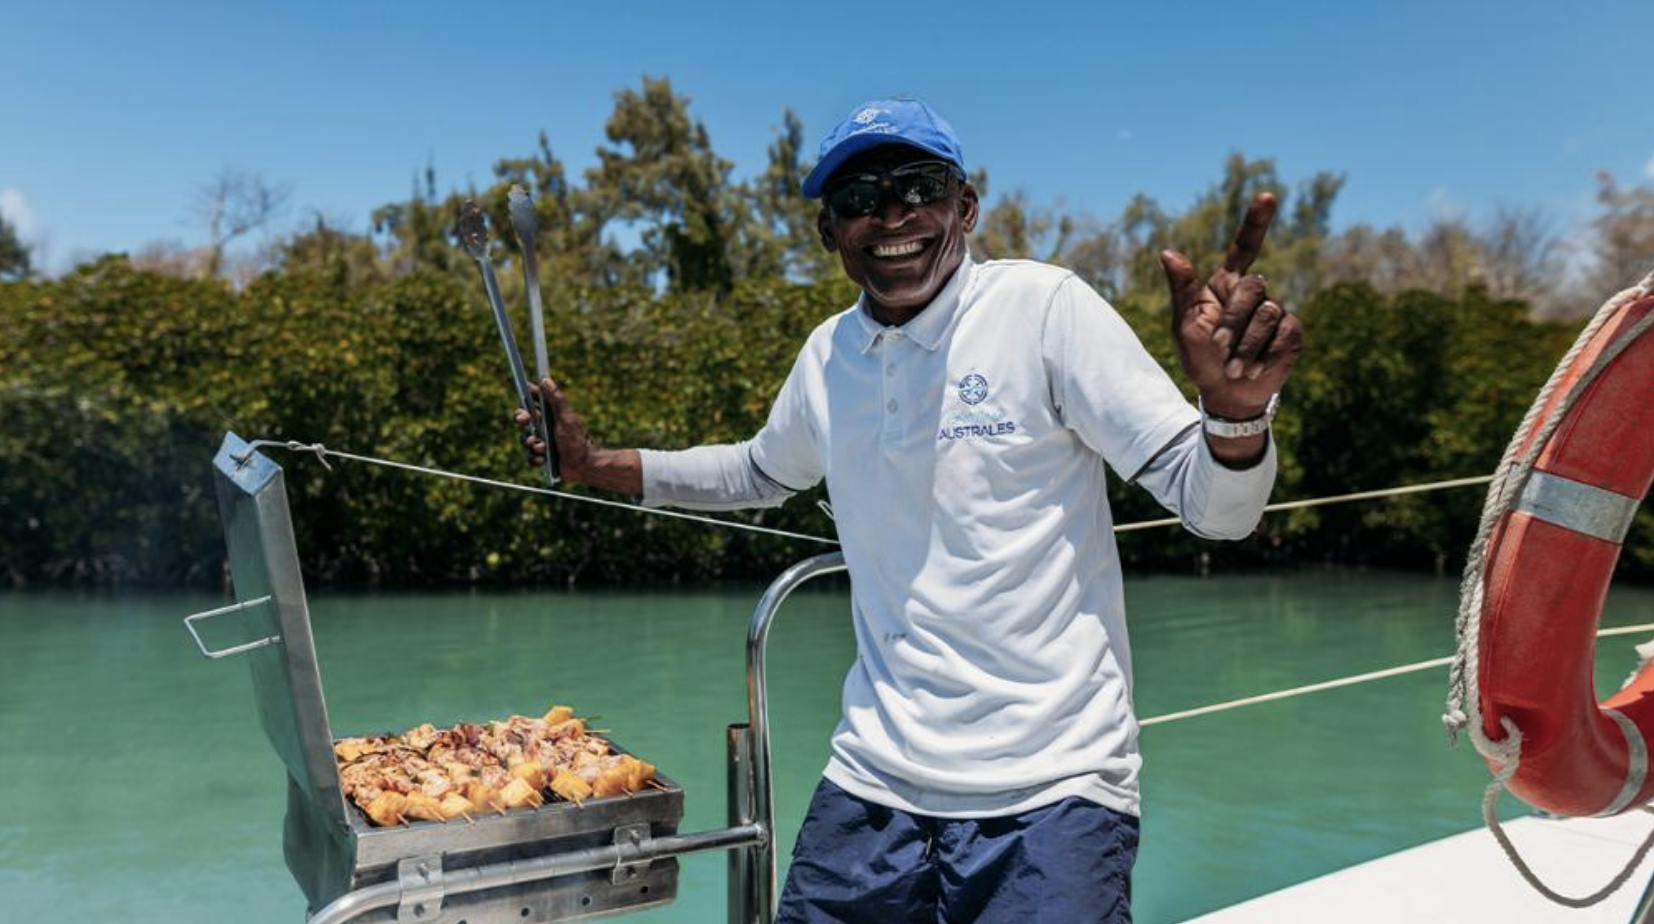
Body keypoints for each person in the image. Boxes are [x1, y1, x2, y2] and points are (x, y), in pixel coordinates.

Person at [517, 97, 1302, 923]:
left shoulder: (1044, 310)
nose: (891, 215)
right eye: (859, 199)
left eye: (917, 187)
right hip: (873, 781)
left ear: (964, 208)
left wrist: (1235, 414)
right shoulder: (829, 356)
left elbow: (1218, 511)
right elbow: (753, 469)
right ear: (830, 232)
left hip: (1056, 789)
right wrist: (593, 464)